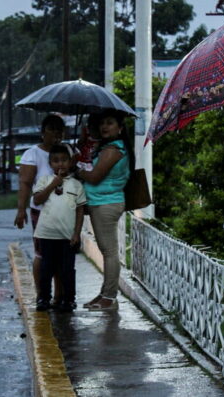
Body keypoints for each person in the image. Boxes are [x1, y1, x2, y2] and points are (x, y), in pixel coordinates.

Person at [74, 111, 132, 311]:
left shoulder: (114, 149)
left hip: (106, 204)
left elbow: (95, 177)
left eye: (110, 123)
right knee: (107, 251)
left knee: (109, 252)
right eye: (102, 124)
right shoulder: (107, 148)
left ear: (120, 128)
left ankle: (109, 297)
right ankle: (104, 293)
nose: (104, 127)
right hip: (101, 202)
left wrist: (77, 171)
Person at [14, 114, 66, 297]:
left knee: (63, 258)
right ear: (43, 132)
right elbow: (25, 184)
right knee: (42, 255)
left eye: (59, 129)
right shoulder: (33, 154)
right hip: (42, 212)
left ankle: (60, 296)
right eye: (51, 129)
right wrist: (21, 210)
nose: (56, 134)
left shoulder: (68, 151)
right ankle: (42, 294)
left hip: (65, 213)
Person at [32, 145, 87, 312]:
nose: (60, 164)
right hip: (47, 234)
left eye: (64, 160)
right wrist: (53, 184)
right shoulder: (44, 181)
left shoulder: (76, 185)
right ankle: (43, 298)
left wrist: (77, 233)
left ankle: (68, 299)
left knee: (67, 270)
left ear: (70, 162)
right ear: (50, 164)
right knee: (46, 268)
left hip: (67, 236)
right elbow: (37, 200)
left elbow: (80, 211)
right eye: (55, 161)